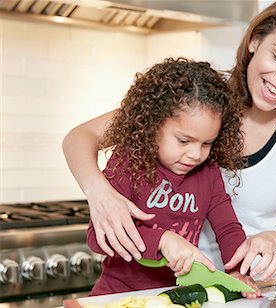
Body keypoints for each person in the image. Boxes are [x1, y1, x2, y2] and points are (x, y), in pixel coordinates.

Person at [63, 0, 276, 283]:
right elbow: (80, 137)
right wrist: (99, 193)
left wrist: (272, 240)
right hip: (173, 282)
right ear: (255, 41)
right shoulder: (199, 100)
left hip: (245, 283)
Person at [84, 57, 253, 296]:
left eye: (207, 143)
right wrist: (162, 240)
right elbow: (96, 238)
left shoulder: (209, 172)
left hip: (176, 296)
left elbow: (227, 228)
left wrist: (238, 271)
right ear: (153, 126)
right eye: (184, 141)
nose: (196, 155)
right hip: (117, 297)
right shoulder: (127, 163)